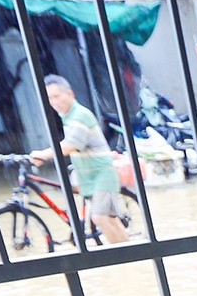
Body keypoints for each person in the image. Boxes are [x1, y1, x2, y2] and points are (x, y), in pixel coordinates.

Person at [31, 74, 126, 246]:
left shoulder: (80, 115)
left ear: (70, 94)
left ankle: (123, 258)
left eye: (56, 96)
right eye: (50, 98)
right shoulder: (66, 117)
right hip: (89, 176)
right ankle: (132, 255)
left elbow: (70, 145)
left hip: (102, 173)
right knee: (111, 220)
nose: (53, 102)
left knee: (100, 218)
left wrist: (43, 154)